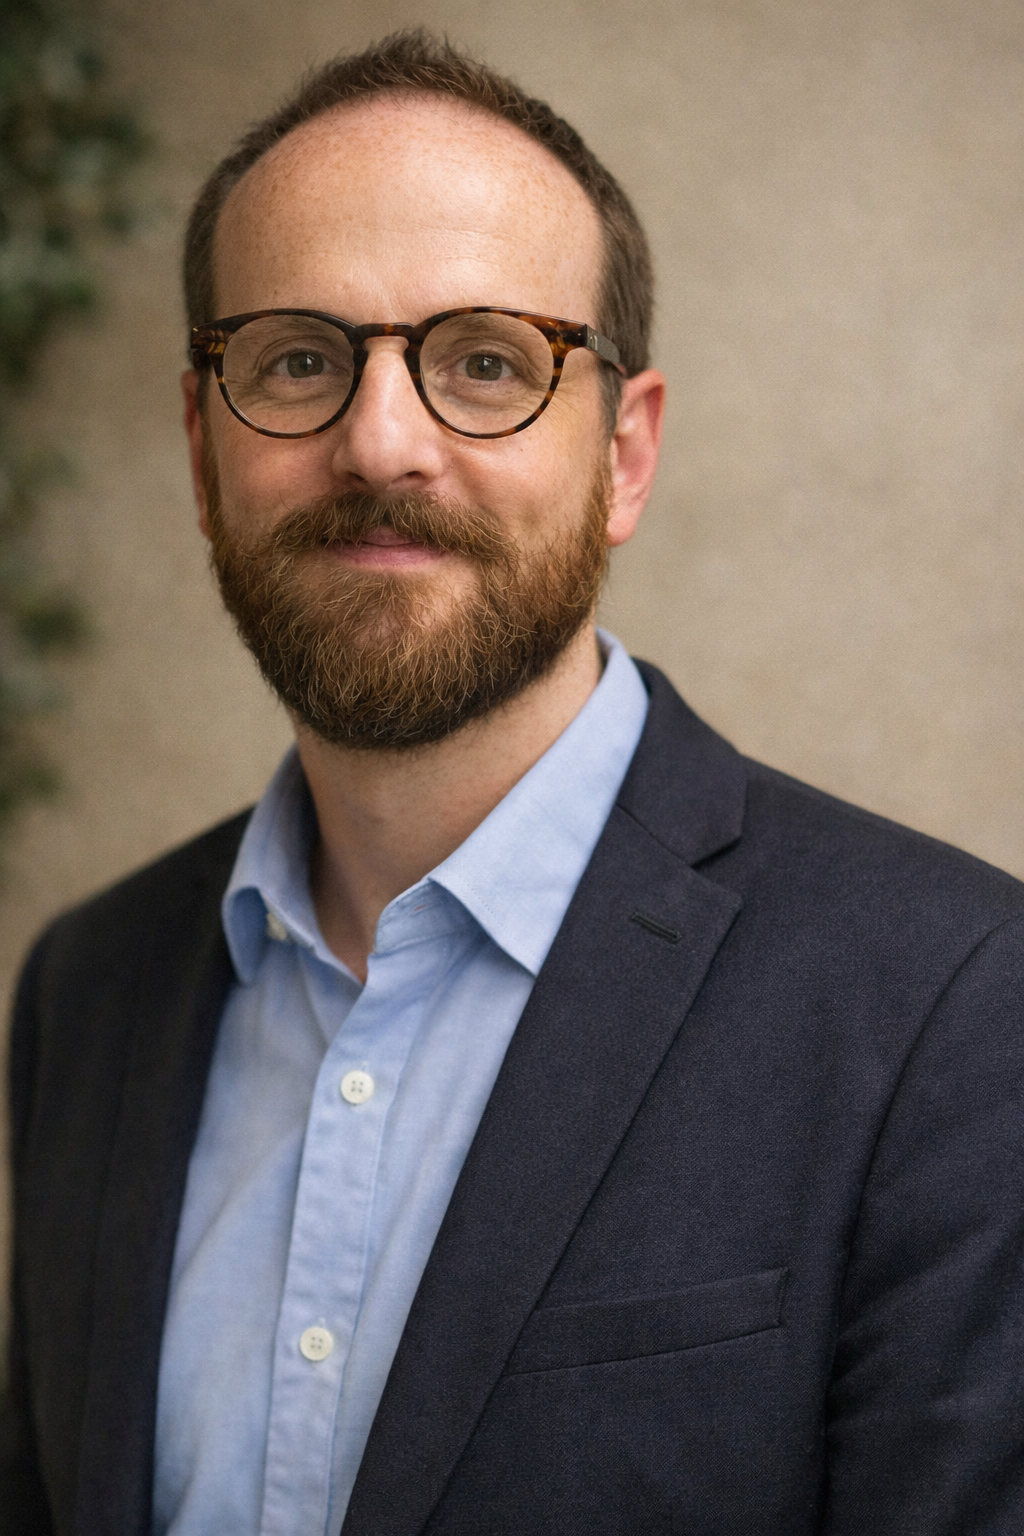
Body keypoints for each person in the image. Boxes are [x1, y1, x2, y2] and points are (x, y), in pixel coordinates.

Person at [2, 28, 1022, 1536]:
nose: (382, 441)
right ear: (204, 451)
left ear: (623, 452)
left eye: (487, 361)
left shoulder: (953, 1007)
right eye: (298, 358)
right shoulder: (85, 993)